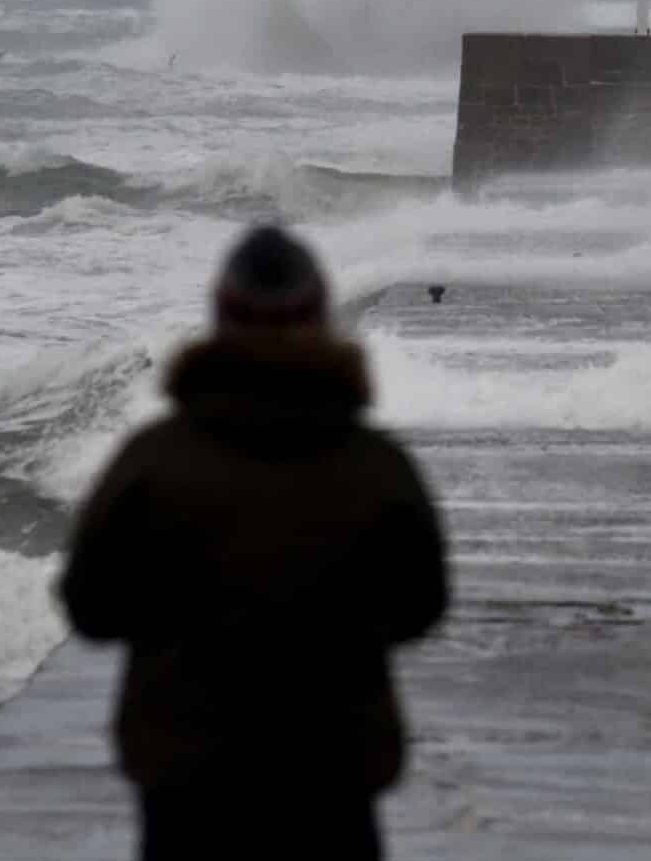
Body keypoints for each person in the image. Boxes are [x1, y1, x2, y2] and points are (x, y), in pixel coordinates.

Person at [57, 223, 449, 860]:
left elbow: (90, 607)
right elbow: (419, 607)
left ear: (220, 315)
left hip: (187, 779)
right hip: (332, 775)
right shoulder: (374, 465)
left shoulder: (154, 460)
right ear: (319, 314)